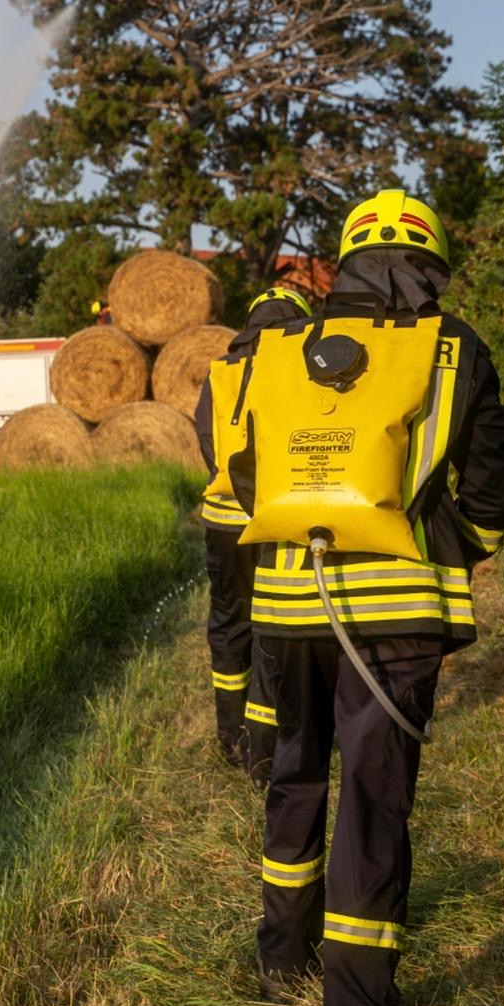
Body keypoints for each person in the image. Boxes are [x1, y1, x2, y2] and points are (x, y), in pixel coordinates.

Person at [230, 190, 504, 1006]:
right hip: (397, 617)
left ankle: (281, 959)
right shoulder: (453, 346)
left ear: (346, 261)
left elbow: (243, 472)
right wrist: (456, 546)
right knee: (371, 800)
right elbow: (495, 481)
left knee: (295, 776)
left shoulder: (285, 346)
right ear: (430, 263)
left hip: (290, 604)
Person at [194, 286, 312, 781]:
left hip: (222, 518)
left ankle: (229, 733)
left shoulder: (220, 372)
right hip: (273, 519)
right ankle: (263, 753)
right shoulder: (301, 366)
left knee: (228, 624)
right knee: (272, 628)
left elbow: (206, 438)